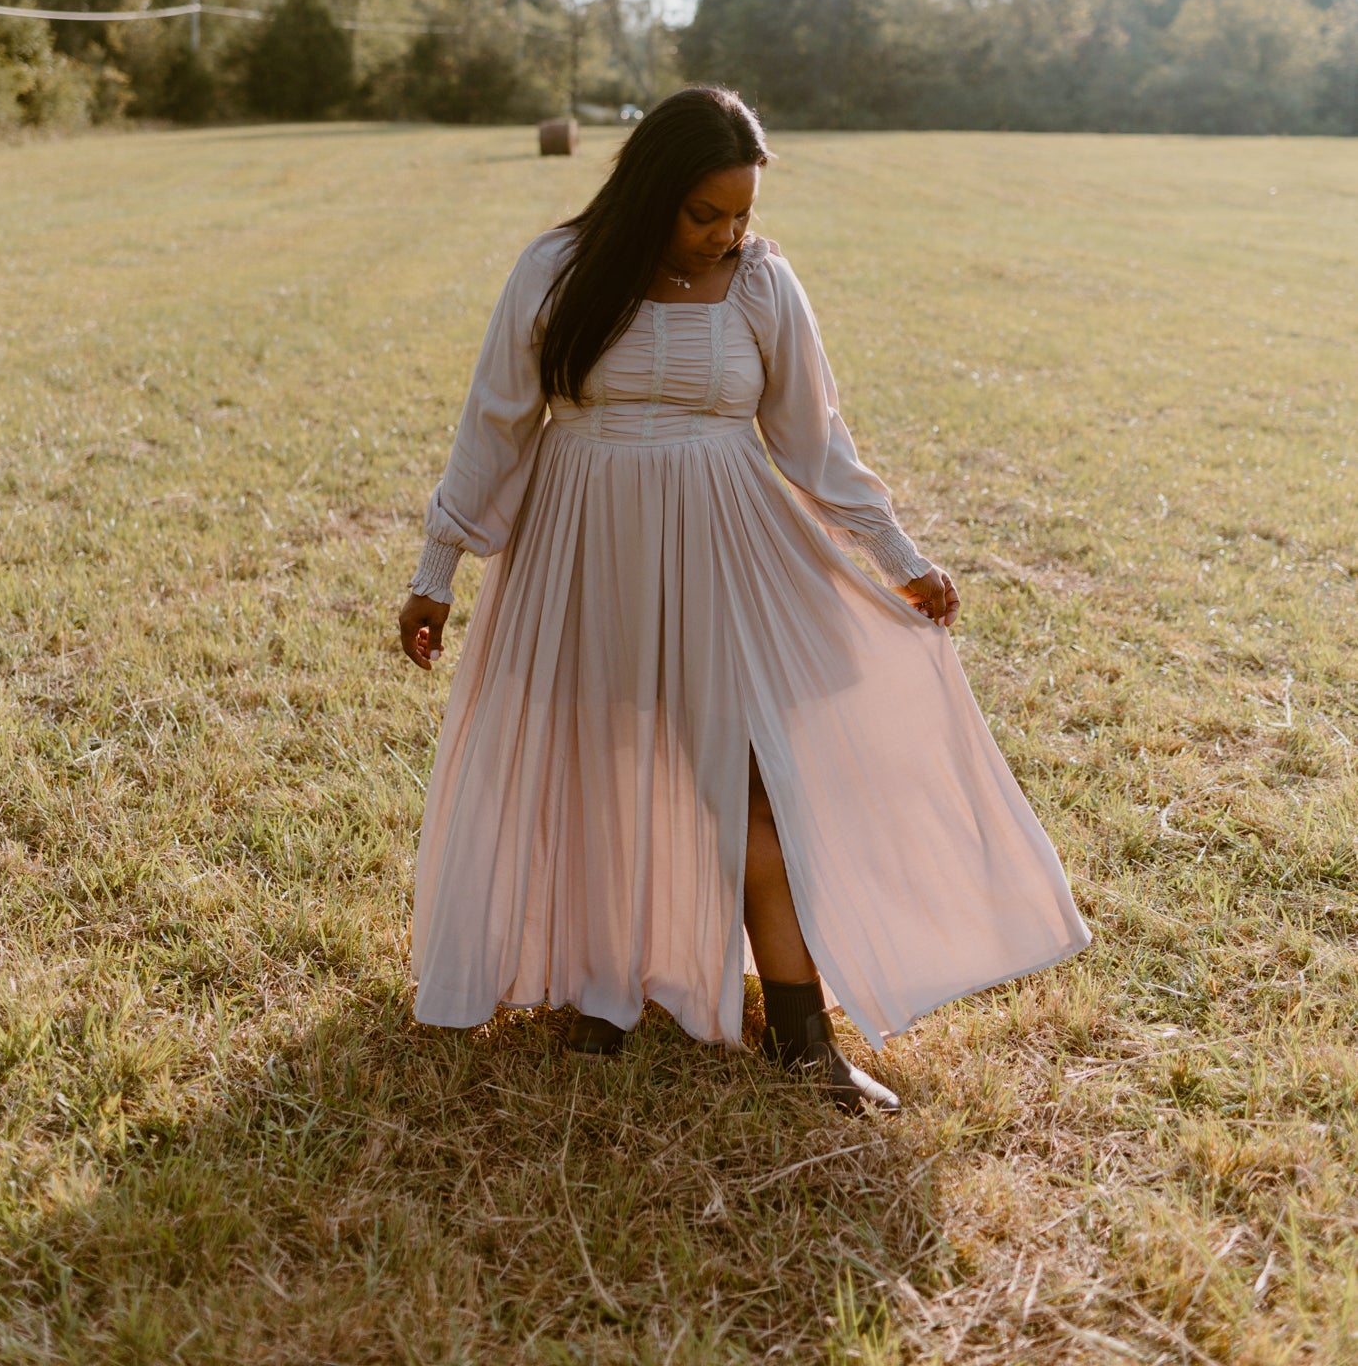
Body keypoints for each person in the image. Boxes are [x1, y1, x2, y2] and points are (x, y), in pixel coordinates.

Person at [399, 87, 1088, 1113]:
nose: (728, 232)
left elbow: (815, 439)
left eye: (741, 212)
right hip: (582, 553)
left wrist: (897, 554)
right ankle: (606, 991)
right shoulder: (557, 269)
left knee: (759, 783)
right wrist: (435, 570)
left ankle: (802, 1034)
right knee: (608, 770)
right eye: (705, 213)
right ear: (649, 195)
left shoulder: (763, 284)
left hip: (729, 552)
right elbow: (495, 420)